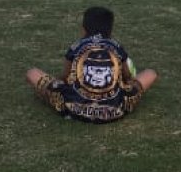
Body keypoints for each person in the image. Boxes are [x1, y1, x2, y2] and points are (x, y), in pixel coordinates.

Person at [26, 7, 158, 123]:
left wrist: (56, 85)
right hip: (115, 110)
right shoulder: (117, 46)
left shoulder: (76, 46)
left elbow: (65, 77)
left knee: (32, 73)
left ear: (83, 29)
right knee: (150, 73)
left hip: (74, 108)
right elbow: (127, 77)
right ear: (110, 30)